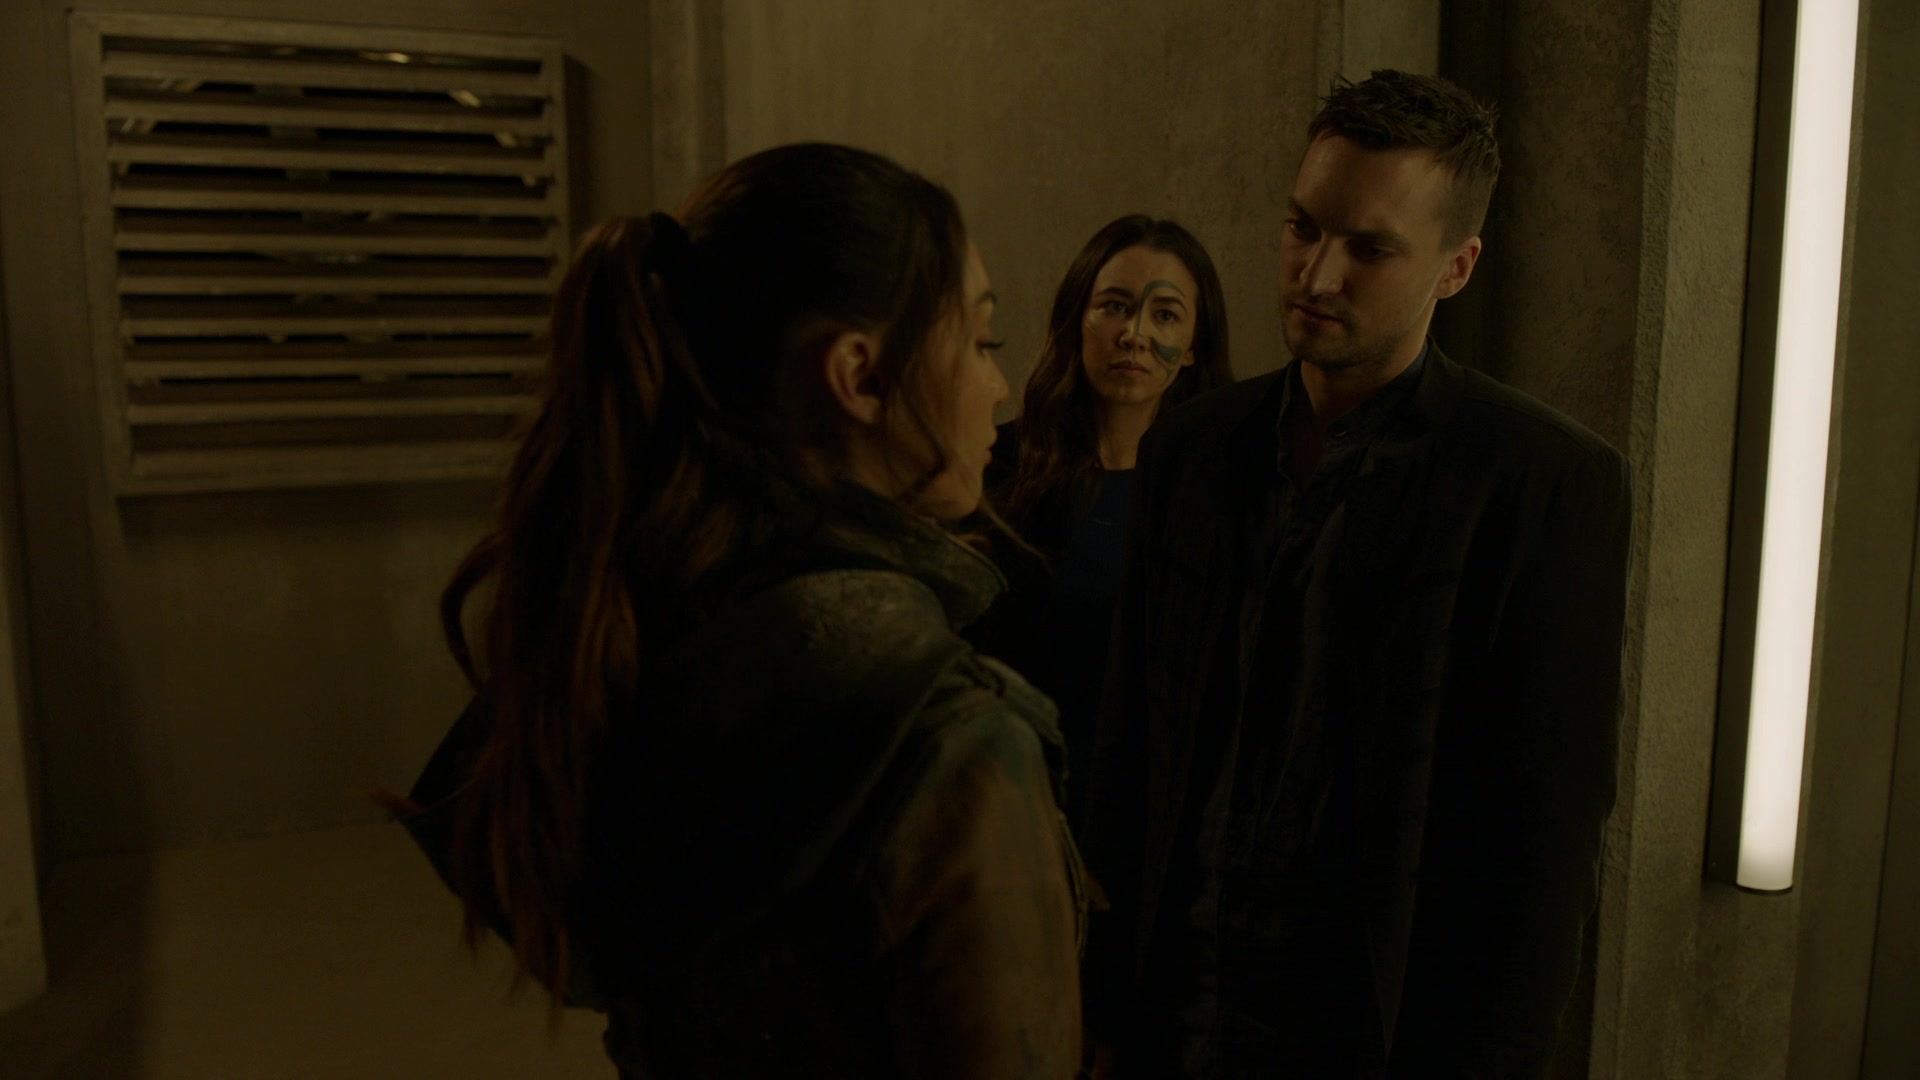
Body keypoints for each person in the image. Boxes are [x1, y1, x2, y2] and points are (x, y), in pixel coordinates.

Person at [393, 143, 1086, 1079]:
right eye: (980, 341)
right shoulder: (950, 737)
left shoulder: (640, 632)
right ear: (861, 375)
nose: (997, 387)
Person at [1082, 71, 1633, 1077]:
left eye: (1370, 249)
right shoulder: (1192, 448)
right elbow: (1131, 750)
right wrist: (1101, 1010)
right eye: (1303, 227)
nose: (1318, 274)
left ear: (1457, 267)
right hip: (1175, 1017)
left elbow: (1542, 850)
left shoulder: (1541, 484)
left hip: (1373, 1039)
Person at [972, 215, 1231, 831]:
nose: (1134, 335)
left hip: (1161, 826)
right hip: (1016, 812)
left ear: (1193, 346)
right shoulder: (991, 468)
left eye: (1165, 315)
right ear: (1077, 320)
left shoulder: (1221, 492)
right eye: (1114, 306)